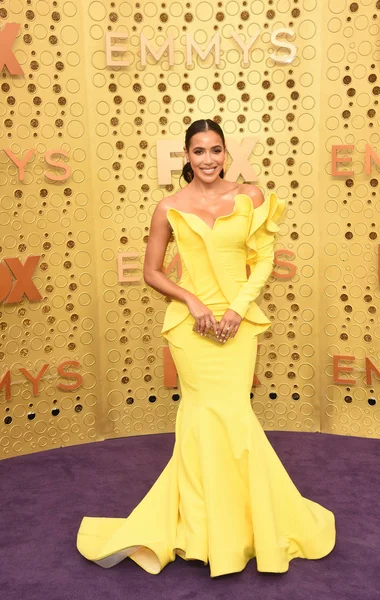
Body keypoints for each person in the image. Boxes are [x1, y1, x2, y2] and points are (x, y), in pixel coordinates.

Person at [76, 118, 336, 578]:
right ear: (187, 156)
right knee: (198, 421)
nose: (209, 159)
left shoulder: (251, 196)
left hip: (239, 323)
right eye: (199, 152)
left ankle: (244, 527)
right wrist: (191, 300)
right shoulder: (169, 207)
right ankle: (200, 531)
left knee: (234, 417)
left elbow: (265, 259)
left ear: (225, 154)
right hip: (190, 328)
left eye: (216, 150)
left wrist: (237, 307)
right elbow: (153, 271)